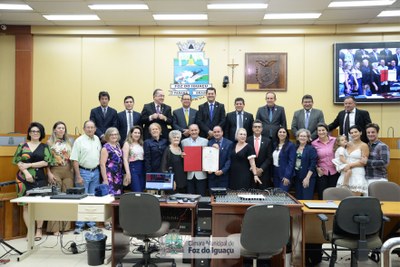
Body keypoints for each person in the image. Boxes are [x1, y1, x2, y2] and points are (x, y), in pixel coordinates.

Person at [12, 122, 54, 241]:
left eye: (37, 131)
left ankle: (39, 230)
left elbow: (46, 162)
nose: (35, 133)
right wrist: (26, 173)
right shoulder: (22, 146)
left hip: (40, 178)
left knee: (39, 204)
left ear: (41, 133)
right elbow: (18, 162)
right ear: (29, 133)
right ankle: (30, 231)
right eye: (33, 131)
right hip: (23, 179)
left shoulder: (45, 147)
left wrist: (29, 164)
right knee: (26, 205)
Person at [70, 120, 102, 234]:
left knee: (92, 199)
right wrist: (78, 176)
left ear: (95, 128)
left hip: (95, 172)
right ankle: (79, 226)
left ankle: (91, 224)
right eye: (88, 127)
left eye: (92, 127)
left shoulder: (97, 139)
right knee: (82, 199)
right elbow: (74, 159)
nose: (90, 129)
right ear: (84, 129)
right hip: (83, 172)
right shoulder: (79, 141)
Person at [46, 121, 74, 236]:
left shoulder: (69, 142)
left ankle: (65, 227)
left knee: (66, 199)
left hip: (67, 171)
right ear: (54, 130)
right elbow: (46, 159)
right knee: (55, 199)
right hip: (55, 170)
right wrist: (48, 173)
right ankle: (54, 228)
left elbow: (72, 158)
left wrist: (72, 171)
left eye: (63, 128)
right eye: (59, 128)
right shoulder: (49, 142)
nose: (61, 130)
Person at [336, 125, 369, 196]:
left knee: (355, 198)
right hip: (345, 172)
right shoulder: (347, 144)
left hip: (357, 172)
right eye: (351, 133)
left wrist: (350, 165)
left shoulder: (364, 145)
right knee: (343, 196)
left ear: (360, 132)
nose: (353, 134)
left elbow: (363, 162)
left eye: (355, 132)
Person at [312, 123, 339, 200]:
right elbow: (313, 158)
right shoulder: (314, 143)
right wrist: (316, 168)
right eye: (319, 130)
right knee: (322, 194)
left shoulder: (335, 140)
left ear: (327, 131)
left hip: (335, 170)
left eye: (323, 130)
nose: (321, 132)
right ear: (317, 132)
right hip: (322, 172)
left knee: (333, 194)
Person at [181, 124, 208, 195]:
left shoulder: (205, 141)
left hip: (201, 174)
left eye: (195, 130)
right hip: (189, 174)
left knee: (201, 195)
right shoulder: (184, 142)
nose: (194, 132)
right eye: (192, 130)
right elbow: (182, 155)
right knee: (190, 195)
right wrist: (182, 155)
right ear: (189, 131)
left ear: (199, 131)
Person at [246, 120, 273, 189]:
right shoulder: (247, 140)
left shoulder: (268, 141)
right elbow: (245, 156)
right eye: (255, 127)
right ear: (252, 128)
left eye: (259, 127)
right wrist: (253, 169)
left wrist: (261, 169)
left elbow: (269, 158)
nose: (257, 128)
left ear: (262, 129)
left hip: (264, 173)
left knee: (263, 195)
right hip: (250, 173)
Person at [294, 129, 318, 200]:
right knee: (298, 199)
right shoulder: (295, 148)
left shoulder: (311, 149)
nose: (302, 138)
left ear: (308, 138)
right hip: (297, 177)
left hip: (308, 177)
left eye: (305, 136)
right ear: (298, 137)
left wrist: (307, 178)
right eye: (301, 136)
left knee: (306, 199)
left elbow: (313, 164)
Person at [100, 127, 123, 196]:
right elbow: (102, 164)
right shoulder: (105, 148)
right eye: (111, 135)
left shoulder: (118, 145)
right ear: (107, 136)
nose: (114, 136)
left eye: (116, 134)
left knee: (118, 198)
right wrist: (105, 179)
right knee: (110, 197)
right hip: (110, 177)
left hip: (118, 176)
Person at [272, 127, 295, 192]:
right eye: (280, 132)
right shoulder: (275, 144)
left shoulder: (290, 145)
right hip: (275, 174)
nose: (282, 133)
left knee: (282, 195)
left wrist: (287, 176)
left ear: (287, 134)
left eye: (284, 132)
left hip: (285, 174)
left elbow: (291, 162)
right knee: (276, 195)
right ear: (277, 133)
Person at [122, 126, 145, 192]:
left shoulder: (141, 144)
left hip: (142, 168)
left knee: (142, 190)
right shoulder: (127, 144)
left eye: (139, 133)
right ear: (131, 134)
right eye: (135, 132)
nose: (137, 134)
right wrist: (128, 173)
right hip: (133, 168)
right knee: (137, 191)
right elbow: (125, 159)